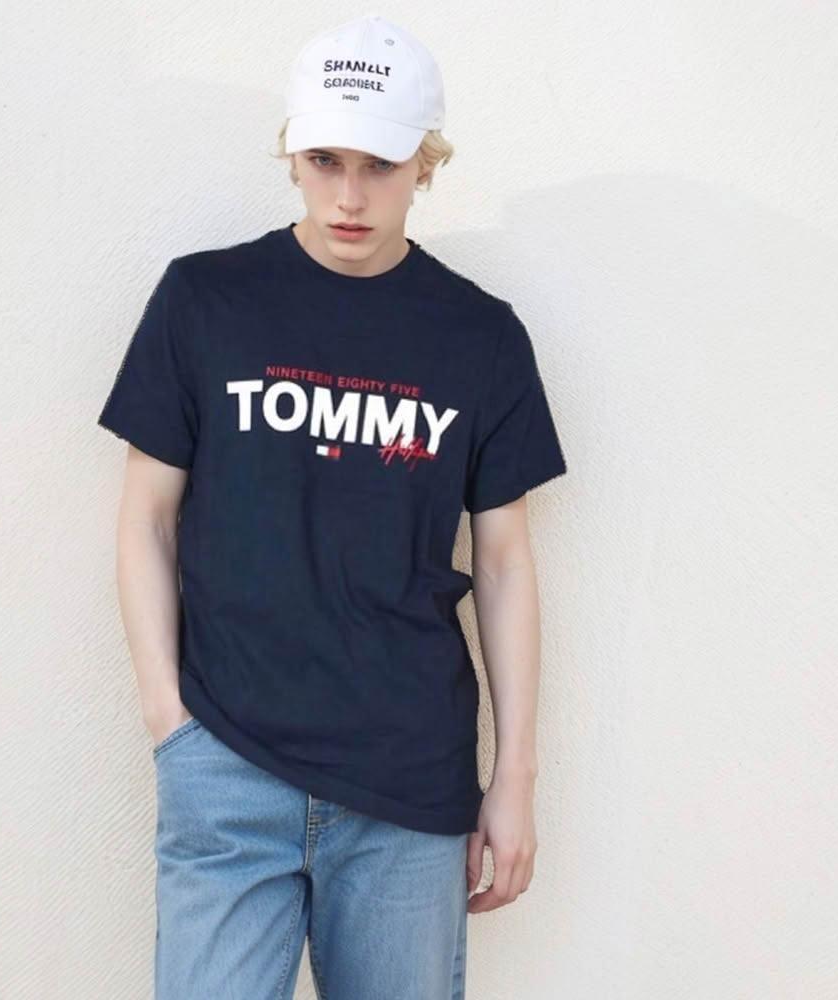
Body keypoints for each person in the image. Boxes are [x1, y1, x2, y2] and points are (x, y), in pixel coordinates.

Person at [97, 14, 567, 1000]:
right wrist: (168, 720)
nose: (349, 196)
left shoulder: (480, 338)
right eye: (324, 161)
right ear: (293, 153)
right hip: (227, 762)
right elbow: (145, 518)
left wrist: (514, 776)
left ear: (425, 163)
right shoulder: (204, 301)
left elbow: (505, 564)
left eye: (380, 165)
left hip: (407, 786)